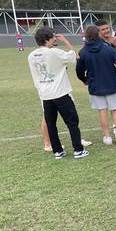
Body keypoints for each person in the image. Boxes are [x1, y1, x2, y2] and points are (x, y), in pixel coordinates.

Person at [28, 27, 88, 159]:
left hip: (45, 95)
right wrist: (66, 41)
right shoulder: (54, 52)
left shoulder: (31, 56)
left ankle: (57, 151)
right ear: (46, 39)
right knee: (72, 121)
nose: (55, 39)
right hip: (61, 93)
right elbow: (74, 56)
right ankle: (78, 150)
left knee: (51, 124)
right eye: (53, 37)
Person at [76, 25, 116, 145]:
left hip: (95, 86)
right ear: (98, 34)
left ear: (86, 37)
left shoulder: (83, 52)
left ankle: (107, 137)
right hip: (111, 84)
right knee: (115, 109)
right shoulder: (108, 49)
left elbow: (79, 70)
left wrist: (84, 79)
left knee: (102, 111)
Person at [95, 20, 116, 137]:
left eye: (107, 28)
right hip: (109, 76)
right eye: (103, 29)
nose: (106, 31)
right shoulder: (97, 44)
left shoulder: (115, 41)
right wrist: (114, 64)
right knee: (114, 102)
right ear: (98, 32)